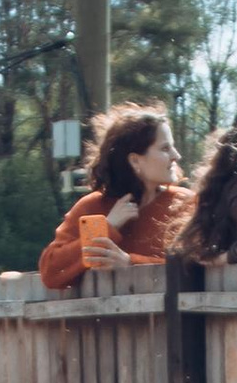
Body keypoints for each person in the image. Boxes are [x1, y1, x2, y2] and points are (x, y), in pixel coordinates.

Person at [36, 105, 194, 290]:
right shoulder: (93, 206)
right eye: (165, 148)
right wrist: (105, 228)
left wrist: (130, 264)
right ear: (135, 160)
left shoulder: (186, 204)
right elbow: (51, 273)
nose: (176, 155)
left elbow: (197, 268)